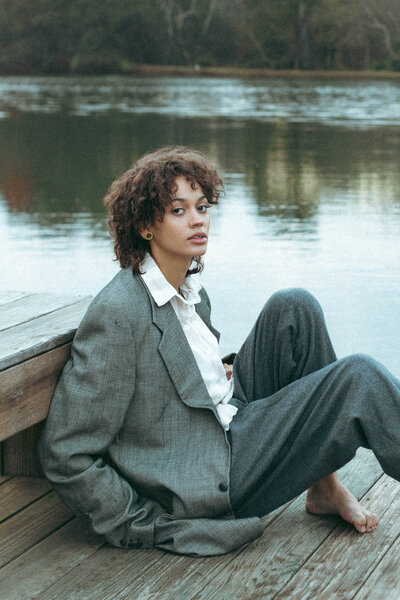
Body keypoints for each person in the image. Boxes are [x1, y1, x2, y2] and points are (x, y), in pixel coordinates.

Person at [39, 146, 400, 556]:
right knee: (359, 379)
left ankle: (325, 488)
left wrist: (219, 371)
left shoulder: (190, 291)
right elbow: (65, 453)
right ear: (144, 226)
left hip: (226, 417)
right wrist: (139, 524)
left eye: (202, 206)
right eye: (178, 210)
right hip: (212, 471)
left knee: (293, 307)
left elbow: (179, 374)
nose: (198, 220)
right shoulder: (119, 314)